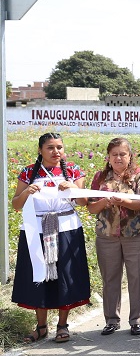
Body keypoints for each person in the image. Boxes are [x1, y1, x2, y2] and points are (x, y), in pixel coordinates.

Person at [11, 132, 90, 344]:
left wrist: (73, 187)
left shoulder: (73, 171)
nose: (56, 152)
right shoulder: (28, 172)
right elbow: (16, 205)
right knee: (39, 274)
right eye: (50, 148)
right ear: (40, 150)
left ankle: (63, 325)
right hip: (35, 229)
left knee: (65, 274)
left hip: (67, 229)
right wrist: (27, 192)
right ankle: (41, 326)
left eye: (60, 147)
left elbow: (83, 202)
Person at [86, 137, 140, 336]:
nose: (118, 158)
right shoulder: (100, 177)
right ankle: (111, 320)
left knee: (137, 278)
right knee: (110, 278)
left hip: (137, 234)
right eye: (114, 154)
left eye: (123, 154)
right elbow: (90, 207)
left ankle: (136, 320)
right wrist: (104, 202)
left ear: (130, 156)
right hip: (107, 235)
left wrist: (123, 201)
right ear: (108, 157)